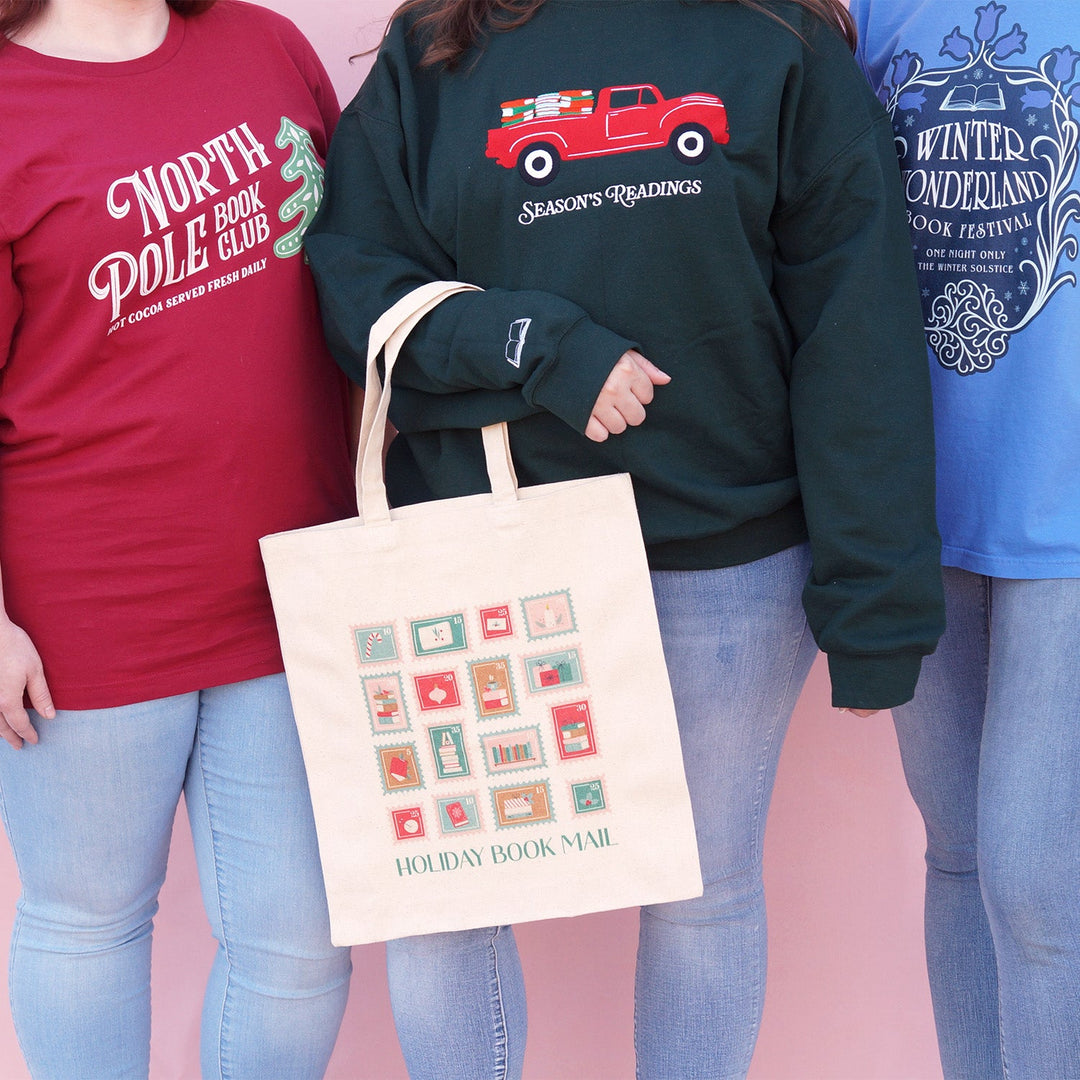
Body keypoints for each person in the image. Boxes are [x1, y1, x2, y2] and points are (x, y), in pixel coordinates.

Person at [305, 0, 945, 1076]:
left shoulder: (775, 40)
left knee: (703, 891)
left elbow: (857, 325)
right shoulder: (436, 49)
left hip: (726, 560)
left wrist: (875, 604)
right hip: (487, 550)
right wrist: (535, 344)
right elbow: (355, 286)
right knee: (449, 901)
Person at [0, 1, 357, 1075]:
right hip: (86, 608)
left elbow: (360, 267)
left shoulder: (265, 46)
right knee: (89, 919)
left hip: (297, 585)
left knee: (301, 947)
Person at [849, 2, 1080, 1077]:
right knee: (958, 855)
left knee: (1036, 881)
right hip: (916, 500)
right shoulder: (875, 15)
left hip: (1064, 504)